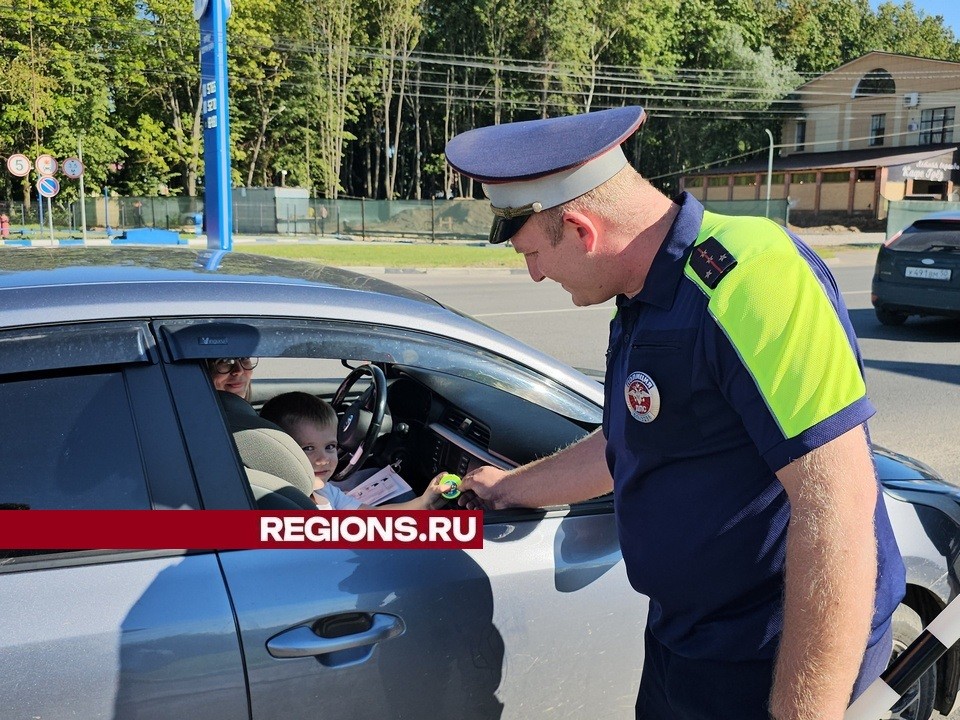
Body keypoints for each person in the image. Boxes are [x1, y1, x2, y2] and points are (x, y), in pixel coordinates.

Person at [444, 106, 905, 720]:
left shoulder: (752, 278)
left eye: (532, 253)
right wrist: (507, 489)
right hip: (685, 644)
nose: (533, 275)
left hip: (769, 662)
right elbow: (629, 439)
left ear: (583, 230)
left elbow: (837, 510)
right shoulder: (642, 291)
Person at [260, 391, 450, 511]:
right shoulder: (276, 502)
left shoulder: (326, 491)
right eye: (308, 448)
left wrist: (425, 503)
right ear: (279, 450)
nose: (323, 460)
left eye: (330, 447)